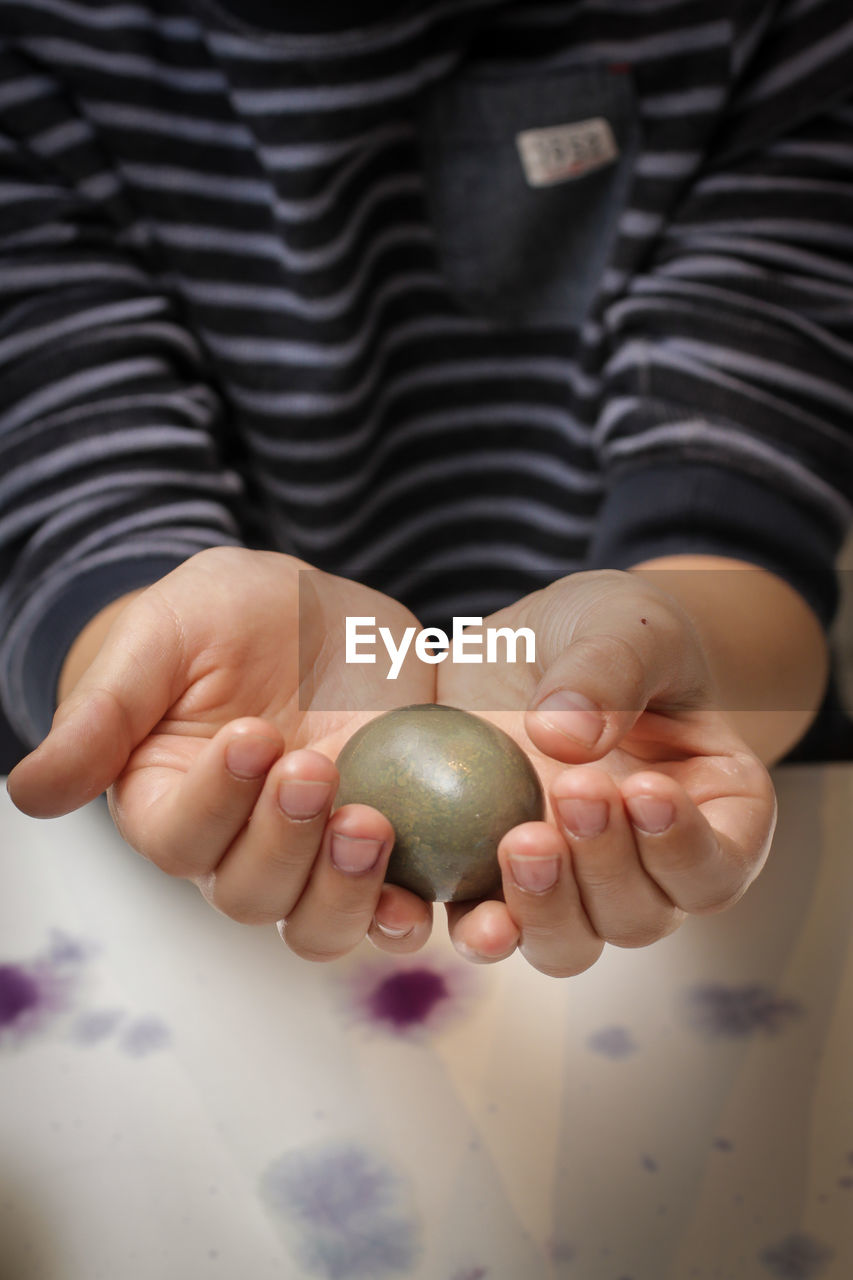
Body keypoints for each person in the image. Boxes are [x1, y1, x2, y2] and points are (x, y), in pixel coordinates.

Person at [1, 0, 850, 976]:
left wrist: (678, 651)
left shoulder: (768, 22)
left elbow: (747, 476)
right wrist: (136, 654)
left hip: (696, 853)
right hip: (193, 932)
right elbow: (66, 457)